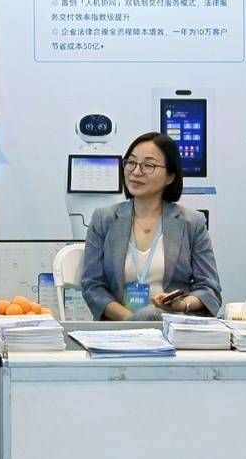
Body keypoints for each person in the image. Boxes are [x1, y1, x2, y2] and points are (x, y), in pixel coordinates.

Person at [78, 131, 220, 319]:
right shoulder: (104, 219)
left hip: (172, 323)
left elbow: (209, 288)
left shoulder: (192, 222)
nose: (136, 172)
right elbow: (92, 285)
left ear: (170, 176)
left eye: (148, 165)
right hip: (120, 326)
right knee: (146, 315)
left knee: (151, 314)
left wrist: (182, 305)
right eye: (131, 162)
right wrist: (130, 320)